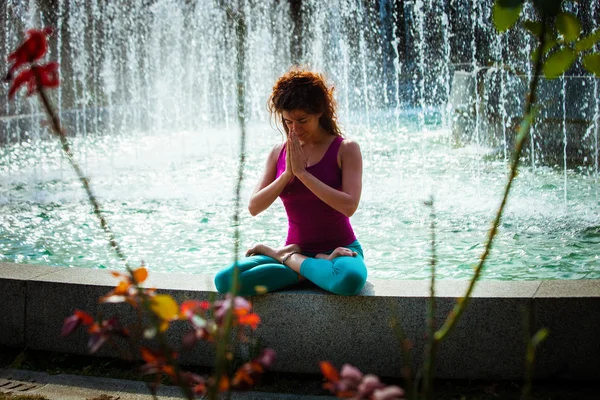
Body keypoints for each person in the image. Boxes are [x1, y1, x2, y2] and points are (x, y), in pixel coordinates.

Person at [214, 68, 366, 296]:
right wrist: (287, 176)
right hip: (296, 249)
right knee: (226, 280)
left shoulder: (346, 149)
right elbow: (254, 207)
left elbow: (349, 206)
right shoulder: (278, 153)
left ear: (320, 112)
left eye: (302, 120)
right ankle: (309, 265)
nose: (294, 128)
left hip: (341, 251)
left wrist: (304, 175)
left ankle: (289, 260)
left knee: (349, 280)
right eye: (288, 121)